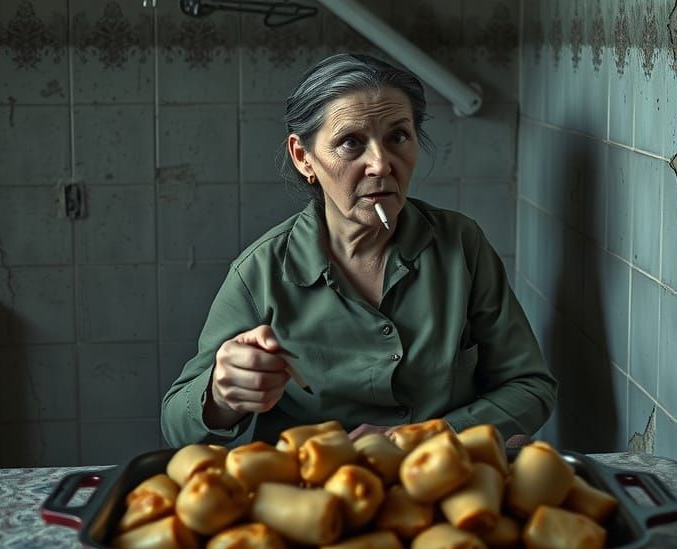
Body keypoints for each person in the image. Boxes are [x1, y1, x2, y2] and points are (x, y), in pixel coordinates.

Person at [161, 53, 557, 447]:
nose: (381, 165)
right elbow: (177, 425)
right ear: (303, 157)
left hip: (438, 477)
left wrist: (420, 439)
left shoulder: (460, 245)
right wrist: (221, 395)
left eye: (398, 137)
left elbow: (530, 386)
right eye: (351, 143)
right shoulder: (260, 272)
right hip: (311, 482)